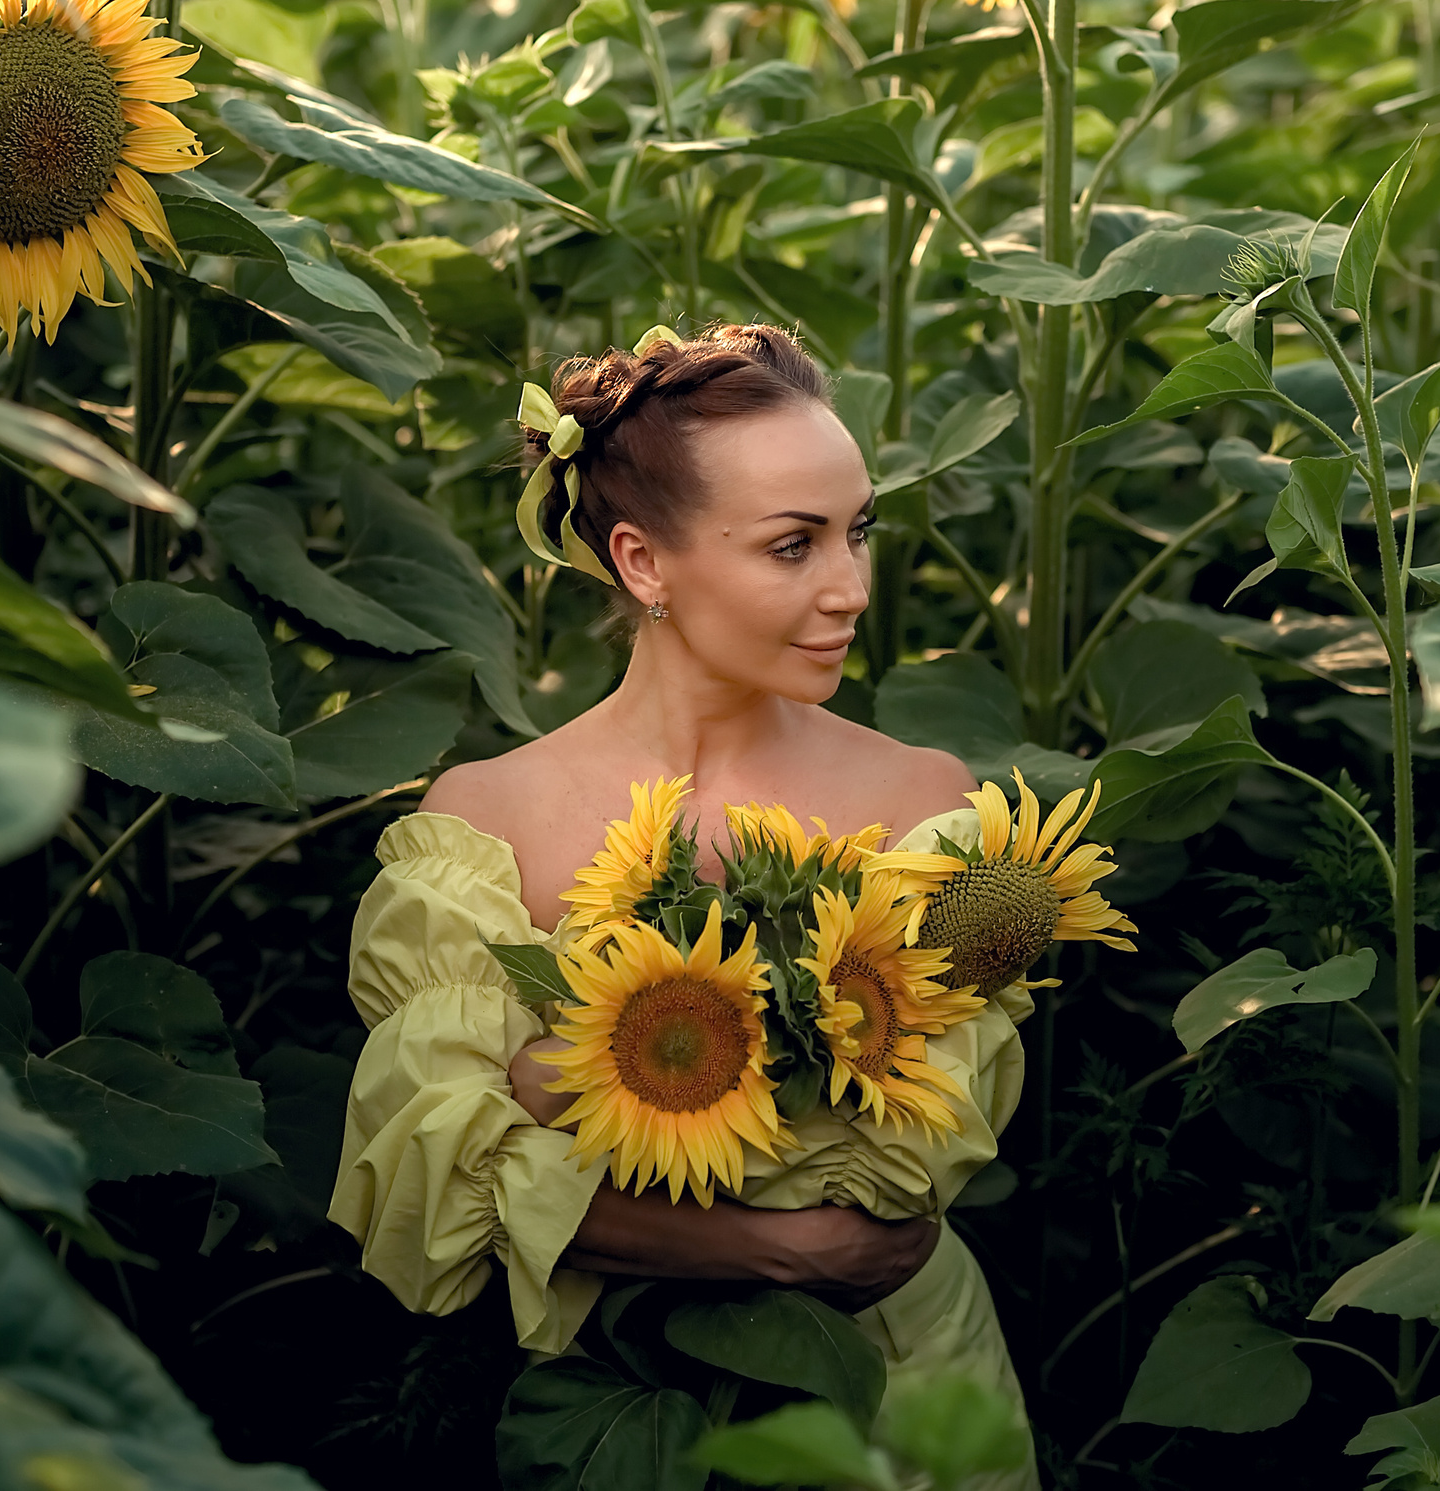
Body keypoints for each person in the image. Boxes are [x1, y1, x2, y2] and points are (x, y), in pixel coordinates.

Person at [327, 322, 1041, 1485]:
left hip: (897, 1385)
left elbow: (903, 1183)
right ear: (642, 562)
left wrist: (565, 1078)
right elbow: (439, 1171)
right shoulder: (485, 823)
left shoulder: (928, 803)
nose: (851, 589)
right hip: (611, 1382)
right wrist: (777, 1246)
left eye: (858, 531)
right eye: (791, 546)